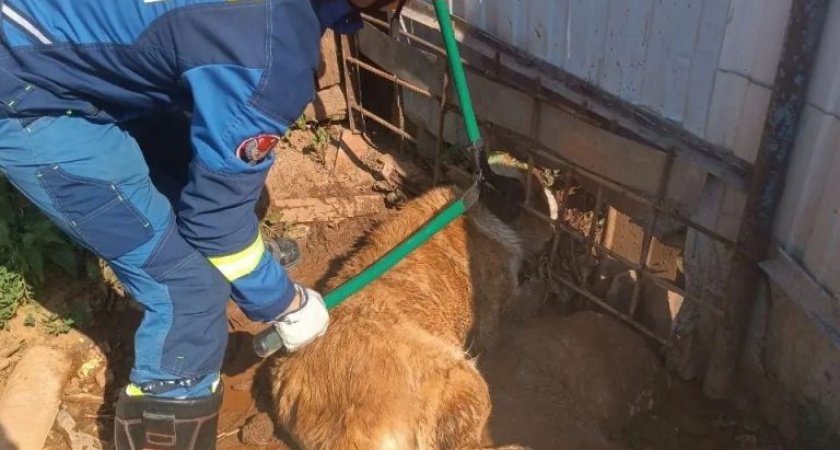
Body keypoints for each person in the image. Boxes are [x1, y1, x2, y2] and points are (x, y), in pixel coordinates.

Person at [0, 0, 403, 448]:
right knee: (188, 291)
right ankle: (168, 406)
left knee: (198, 176)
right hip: (29, 93)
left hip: (53, 42)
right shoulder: (269, 58)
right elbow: (214, 221)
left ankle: (235, 270)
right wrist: (285, 304)